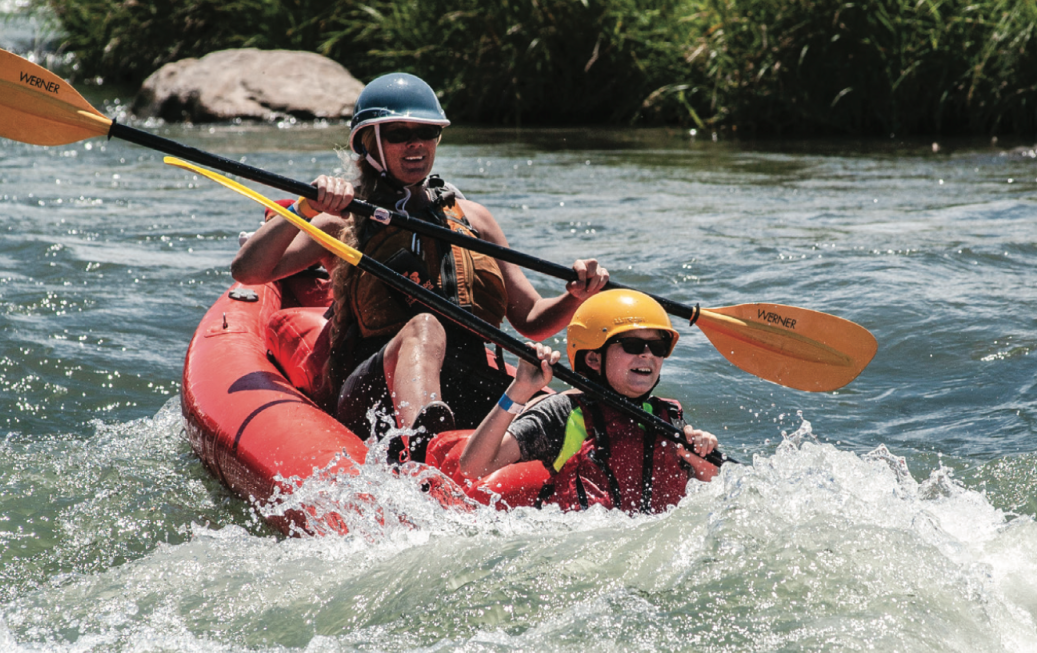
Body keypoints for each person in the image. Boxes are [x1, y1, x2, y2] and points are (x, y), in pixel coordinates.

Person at [230, 73, 608, 461]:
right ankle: (421, 450)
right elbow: (249, 271)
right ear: (368, 143)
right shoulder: (342, 220)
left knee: (558, 409)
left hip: (468, 381)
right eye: (398, 133)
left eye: (426, 132)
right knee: (426, 327)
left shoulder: (473, 220)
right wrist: (307, 205)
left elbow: (530, 319)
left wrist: (575, 296)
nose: (415, 143)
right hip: (374, 394)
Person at [459, 289, 720, 514]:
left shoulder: (668, 417)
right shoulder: (561, 413)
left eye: (658, 346)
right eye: (632, 345)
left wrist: (700, 458)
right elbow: (473, 467)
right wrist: (521, 388)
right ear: (593, 359)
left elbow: (708, 493)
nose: (647, 355)